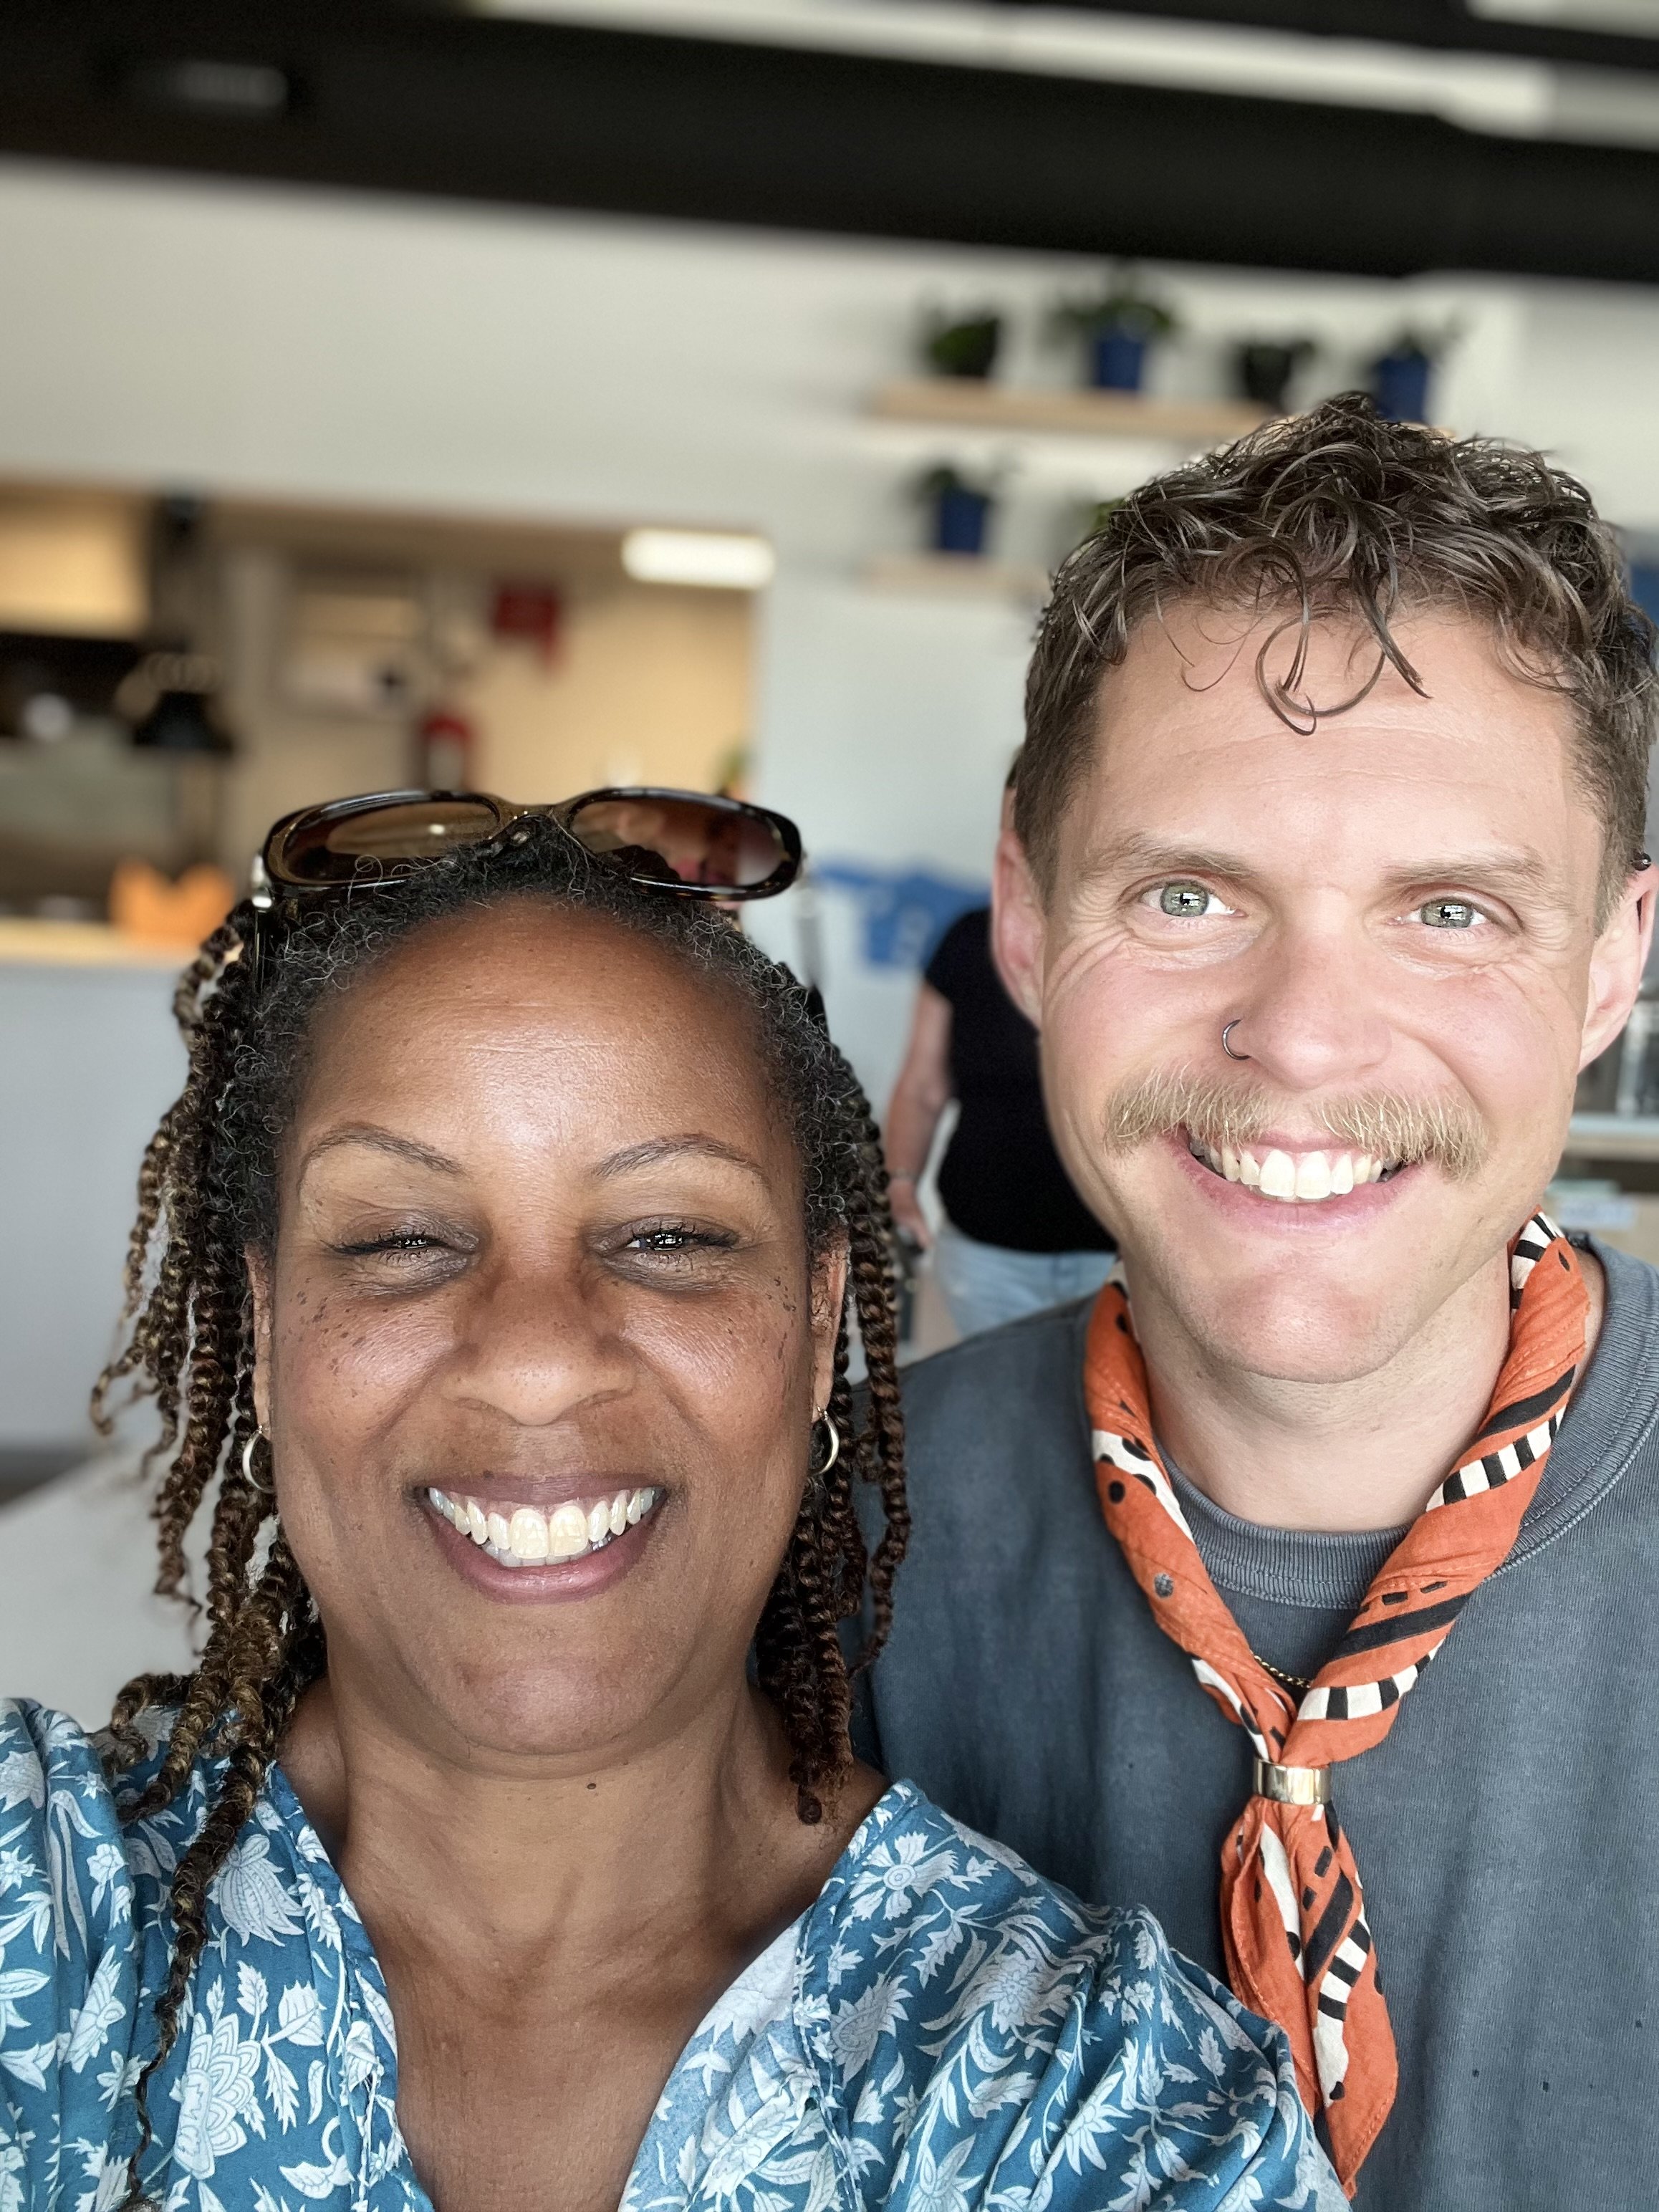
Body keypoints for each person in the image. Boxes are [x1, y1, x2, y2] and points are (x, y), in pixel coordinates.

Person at [0, 790, 1339, 2212]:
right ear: (265, 1334)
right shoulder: (45, 1920)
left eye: (669, 1236)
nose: (530, 1360)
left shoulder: (1100, 2106)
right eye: (399, 1237)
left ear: (821, 1323)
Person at [856, 396, 1659, 2211]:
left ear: (1611, 958)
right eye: (1189, 891)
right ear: (1022, 913)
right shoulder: (829, 1544)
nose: (1298, 1037)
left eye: (1447, 910)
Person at [885, 787, 1116, 1339]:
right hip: (986, 1254)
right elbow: (922, 1086)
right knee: (1004, 1409)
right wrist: (898, 1183)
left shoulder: (1128, 941)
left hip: (1119, 1254)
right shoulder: (969, 940)